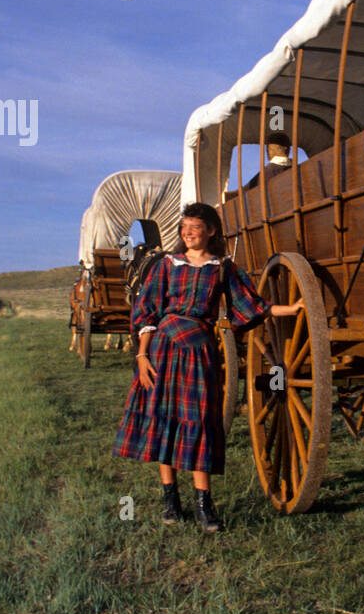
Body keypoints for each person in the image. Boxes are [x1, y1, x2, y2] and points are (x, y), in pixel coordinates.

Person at [114, 202, 304, 531]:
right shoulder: (167, 265)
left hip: (200, 352)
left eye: (195, 228)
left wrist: (293, 308)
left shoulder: (221, 268)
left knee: (199, 423)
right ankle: (170, 500)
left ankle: (204, 505)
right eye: (184, 228)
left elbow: (250, 305)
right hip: (163, 350)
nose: (188, 233)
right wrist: (142, 357)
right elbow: (147, 311)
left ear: (210, 231)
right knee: (164, 420)